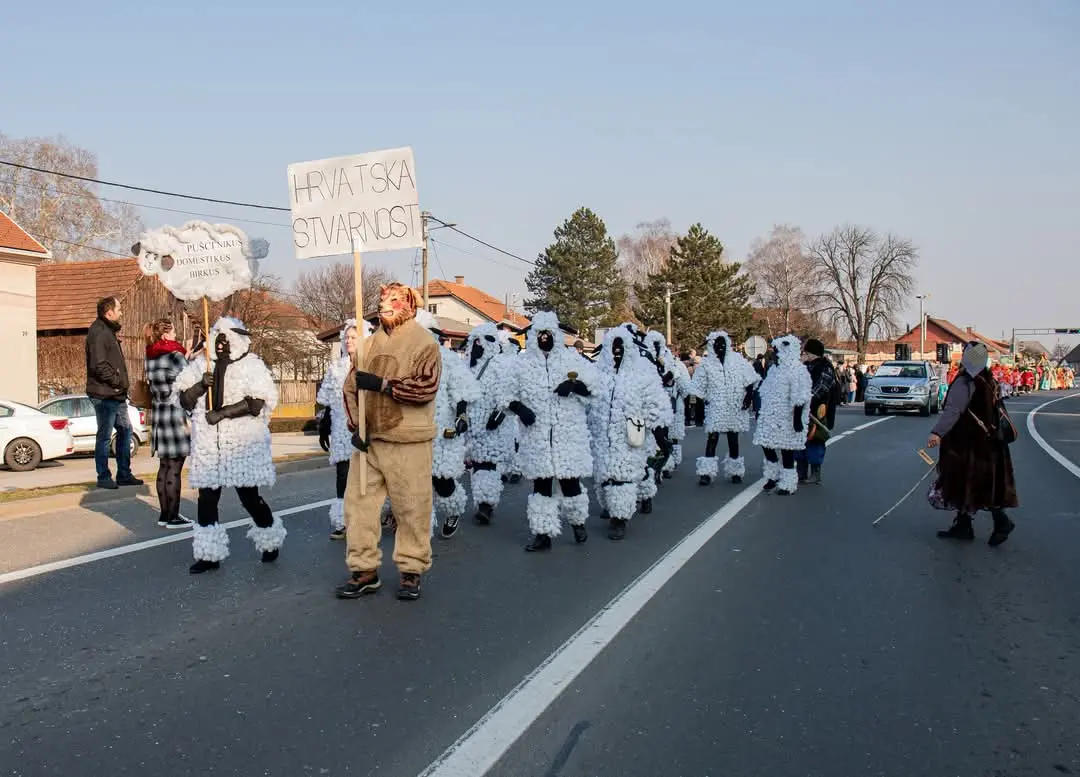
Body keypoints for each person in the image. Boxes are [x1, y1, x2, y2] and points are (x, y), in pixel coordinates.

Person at [336, 283, 441, 601]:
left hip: (408, 440)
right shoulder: (367, 346)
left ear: (409, 304)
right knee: (359, 507)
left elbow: (426, 387)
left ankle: (411, 570)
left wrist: (383, 385)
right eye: (383, 299)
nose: (386, 305)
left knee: (411, 508)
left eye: (394, 300)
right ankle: (364, 569)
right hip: (371, 442)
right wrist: (357, 427)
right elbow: (350, 388)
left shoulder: (424, 343)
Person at [175, 317, 284, 574]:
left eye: (227, 339)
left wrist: (223, 413)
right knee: (207, 499)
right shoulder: (201, 365)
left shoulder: (252, 366)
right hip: (209, 446)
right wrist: (201, 385)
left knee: (249, 498)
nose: (221, 344)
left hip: (241, 444)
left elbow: (259, 402)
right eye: (217, 338)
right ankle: (208, 554)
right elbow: (183, 400)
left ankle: (270, 540)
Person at [507, 311, 597, 552]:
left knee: (570, 483)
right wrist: (518, 407)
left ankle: (577, 522)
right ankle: (543, 532)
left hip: (567, 435)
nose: (544, 338)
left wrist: (575, 386)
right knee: (541, 486)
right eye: (540, 334)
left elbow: (595, 386)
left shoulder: (571, 360)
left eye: (548, 334)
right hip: (536, 436)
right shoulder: (522, 363)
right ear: (534, 336)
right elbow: (504, 393)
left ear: (556, 336)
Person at [928, 342, 1017, 546]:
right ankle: (964, 525)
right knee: (979, 483)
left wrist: (937, 433)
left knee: (967, 481)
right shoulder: (988, 379)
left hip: (968, 444)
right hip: (990, 442)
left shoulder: (966, 381)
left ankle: (1000, 522)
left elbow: (953, 411)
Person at [590, 326, 672, 540]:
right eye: (613, 347)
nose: (617, 351)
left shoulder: (641, 375)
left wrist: (656, 427)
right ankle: (622, 501)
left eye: (621, 347)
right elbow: (587, 401)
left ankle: (620, 518)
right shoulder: (596, 374)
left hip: (629, 437)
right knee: (604, 475)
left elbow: (658, 404)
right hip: (601, 437)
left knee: (624, 475)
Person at [417, 310, 480, 539]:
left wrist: (461, 415)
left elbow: (461, 391)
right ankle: (419, 529)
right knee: (415, 483)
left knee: (442, 482)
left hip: (442, 431)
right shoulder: (403, 361)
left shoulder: (448, 359)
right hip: (413, 433)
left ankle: (453, 509)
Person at [316, 318, 370, 541]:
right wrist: (324, 425)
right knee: (343, 474)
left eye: (353, 337)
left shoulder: (371, 364)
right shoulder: (336, 367)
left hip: (367, 430)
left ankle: (372, 518)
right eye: (346, 337)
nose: (348, 341)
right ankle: (344, 521)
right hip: (341, 429)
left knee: (369, 476)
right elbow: (328, 400)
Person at [85, 296, 143, 490]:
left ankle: (124, 474)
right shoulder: (99, 333)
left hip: (116, 394)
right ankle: (103, 476)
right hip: (104, 394)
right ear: (108, 313)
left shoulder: (108, 331)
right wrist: (117, 381)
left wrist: (120, 386)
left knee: (126, 430)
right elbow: (99, 365)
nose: (121, 312)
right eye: (119, 309)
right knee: (104, 435)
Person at [463, 322, 516, 526]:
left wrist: (500, 414)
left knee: (488, 464)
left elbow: (508, 392)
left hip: (492, 426)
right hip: (471, 427)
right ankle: (483, 501)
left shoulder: (500, 366)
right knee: (477, 466)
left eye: (481, 342)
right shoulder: (465, 366)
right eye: (474, 342)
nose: (478, 346)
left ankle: (486, 504)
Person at [691, 330, 759, 486]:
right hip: (716, 406)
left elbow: (750, 380)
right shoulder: (707, 364)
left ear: (727, 344)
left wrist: (748, 398)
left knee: (733, 439)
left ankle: (735, 471)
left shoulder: (738, 360)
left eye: (723, 344)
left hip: (735, 407)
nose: (720, 347)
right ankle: (706, 473)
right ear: (712, 345)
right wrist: (700, 410)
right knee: (712, 437)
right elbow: (698, 388)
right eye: (717, 344)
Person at [144, 318, 191, 528]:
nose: (175, 336)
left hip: (159, 413)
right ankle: (173, 516)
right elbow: (190, 379)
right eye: (172, 332)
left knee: (164, 466)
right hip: (175, 413)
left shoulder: (150, 356)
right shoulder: (175, 355)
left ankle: (164, 515)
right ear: (165, 335)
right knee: (175, 467)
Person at [753, 335, 812, 495]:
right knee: (766, 444)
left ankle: (787, 482)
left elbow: (800, 395)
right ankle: (773, 475)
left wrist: (798, 418)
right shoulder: (773, 370)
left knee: (786, 449)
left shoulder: (798, 370)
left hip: (787, 417)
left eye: (777, 351)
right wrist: (761, 411)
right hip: (770, 416)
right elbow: (765, 391)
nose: (774, 354)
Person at [795, 339, 839, 484]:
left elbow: (822, 388)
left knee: (815, 440)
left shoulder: (825, 367)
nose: (803, 355)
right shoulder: (804, 366)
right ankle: (801, 471)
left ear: (811, 353)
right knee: (799, 441)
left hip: (818, 411)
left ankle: (815, 472)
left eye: (805, 352)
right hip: (802, 410)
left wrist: (806, 401)